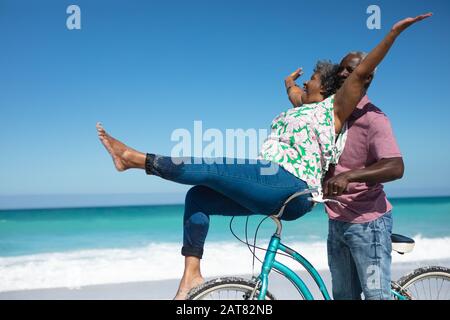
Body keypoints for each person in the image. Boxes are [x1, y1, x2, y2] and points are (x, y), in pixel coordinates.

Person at [96, 13, 431, 299]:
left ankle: (135, 159)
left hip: (289, 183)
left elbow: (359, 76)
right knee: (198, 196)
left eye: (313, 79)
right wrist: (287, 83)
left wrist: (392, 34)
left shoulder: (333, 110)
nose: (307, 84)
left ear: (325, 89)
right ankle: (191, 275)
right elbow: (295, 93)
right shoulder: (302, 109)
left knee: (211, 167)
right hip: (280, 191)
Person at [286, 52, 404, 300]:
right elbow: (299, 100)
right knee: (342, 296)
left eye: (349, 70)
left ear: (367, 75)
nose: (341, 74)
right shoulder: (328, 108)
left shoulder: (374, 119)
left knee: (377, 296)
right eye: (340, 69)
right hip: (337, 220)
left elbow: (395, 166)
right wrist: (290, 84)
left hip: (368, 223)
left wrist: (350, 176)